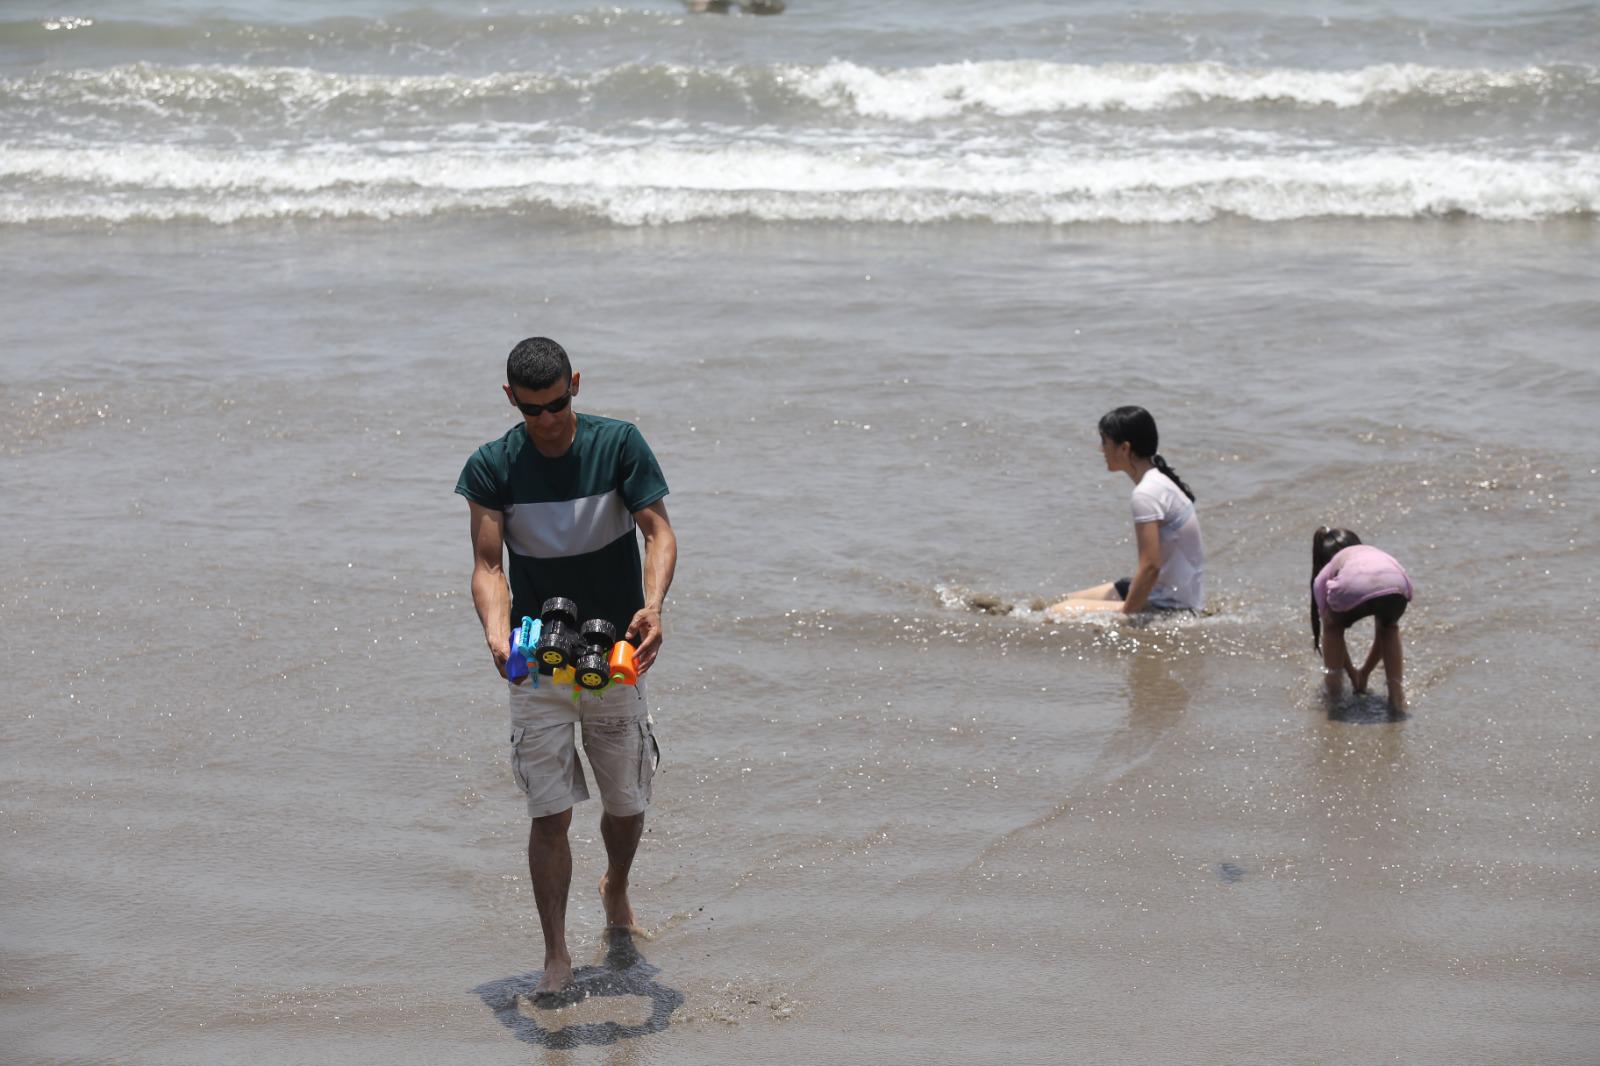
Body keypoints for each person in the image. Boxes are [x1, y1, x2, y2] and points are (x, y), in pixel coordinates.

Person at [456, 336, 678, 998]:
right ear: (510, 400)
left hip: (616, 653)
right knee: (549, 814)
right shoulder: (491, 466)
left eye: (558, 404)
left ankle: (617, 889)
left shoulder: (618, 445)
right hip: (536, 653)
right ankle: (556, 954)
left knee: (626, 802)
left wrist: (655, 607)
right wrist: (498, 637)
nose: (548, 421)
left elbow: (658, 531)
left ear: (575, 383)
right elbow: (488, 567)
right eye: (533, 410)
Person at [1048, 406, 1204, 617]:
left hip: (1172, 604)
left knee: (1055, 613)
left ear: (1124, 448)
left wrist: (1125, 616)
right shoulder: (1158, 479)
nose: (1101, 449)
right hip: (1171, 592)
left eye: (1105, 442)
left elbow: (1151, 567)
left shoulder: (1146, 493)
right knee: (1063, 601)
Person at [1310, 527, 1412, 713]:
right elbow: (1382, 637)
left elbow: (1334, 635)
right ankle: (1396, 694)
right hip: (1397, 580)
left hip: (1356, 586)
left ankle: (1334, 694)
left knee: (1333, 629)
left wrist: (1351, 674)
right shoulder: (1371, 553)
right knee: (1389, 628)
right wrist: (1364, 672)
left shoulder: (1326, 571)